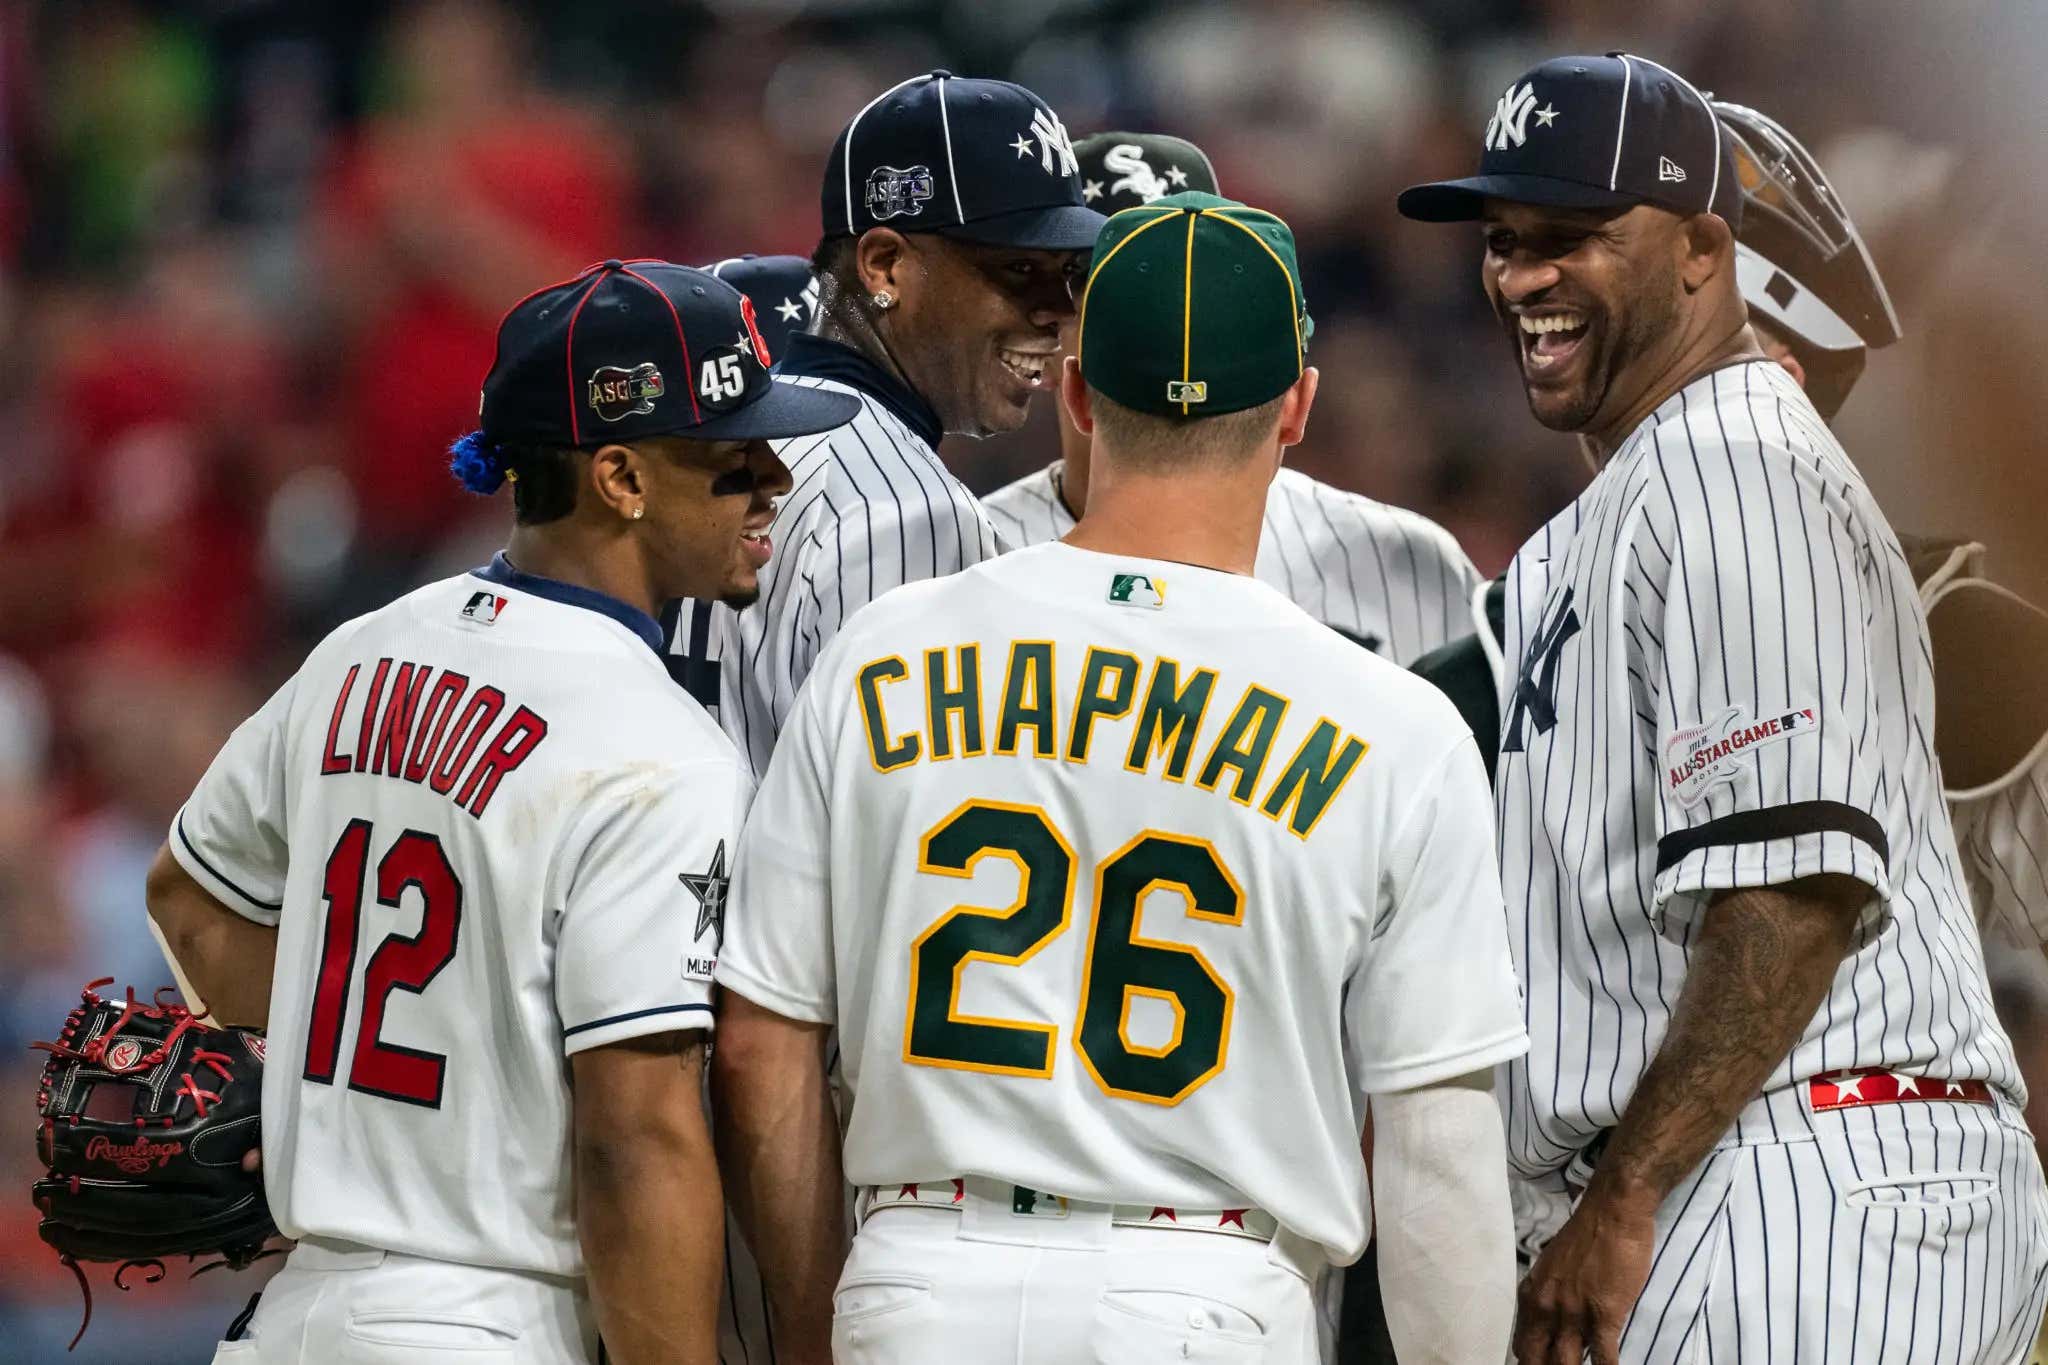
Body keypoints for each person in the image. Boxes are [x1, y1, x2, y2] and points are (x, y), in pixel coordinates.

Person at [711, 190, 1528, 1365]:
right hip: (1202, 1290)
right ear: (1295, 407)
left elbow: (760, 1037)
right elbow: (1436, 1151)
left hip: (919, 1279)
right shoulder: (1387, 722)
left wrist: (806, 1321)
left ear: (1081, 396)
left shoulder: (889, 650)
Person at [1399, 52, 2048, 1364]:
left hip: (1810, 1172)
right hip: (1734, 1180)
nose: (1522, 275)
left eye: (1573, 236)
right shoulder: (1603, 529)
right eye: (1507, 239)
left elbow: (1792, 887)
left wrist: (1623, 1194)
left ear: (1708, 254)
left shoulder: (1736, 464)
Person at [143, 259, 859, 1365]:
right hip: (490, 1320)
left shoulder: (364, 648)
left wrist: (337, 1096)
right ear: (619, 476)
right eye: (731, 458)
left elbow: (190, 899)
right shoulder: (656, 745)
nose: (773, 479)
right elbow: (637, 1139)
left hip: (297, 1319)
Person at [663, 70, 1103, 768]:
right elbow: (896, 836)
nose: (1059, 311)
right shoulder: (905, 513)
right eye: (1020, 271)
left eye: (1069, 272)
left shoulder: (709, 444)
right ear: (885, 265)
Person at [983, 131, 1482, 664]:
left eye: (1196, 273)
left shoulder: (1404, 562)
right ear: (1043, 329)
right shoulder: (964, 554)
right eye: (1113, 277)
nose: (1170, 303)